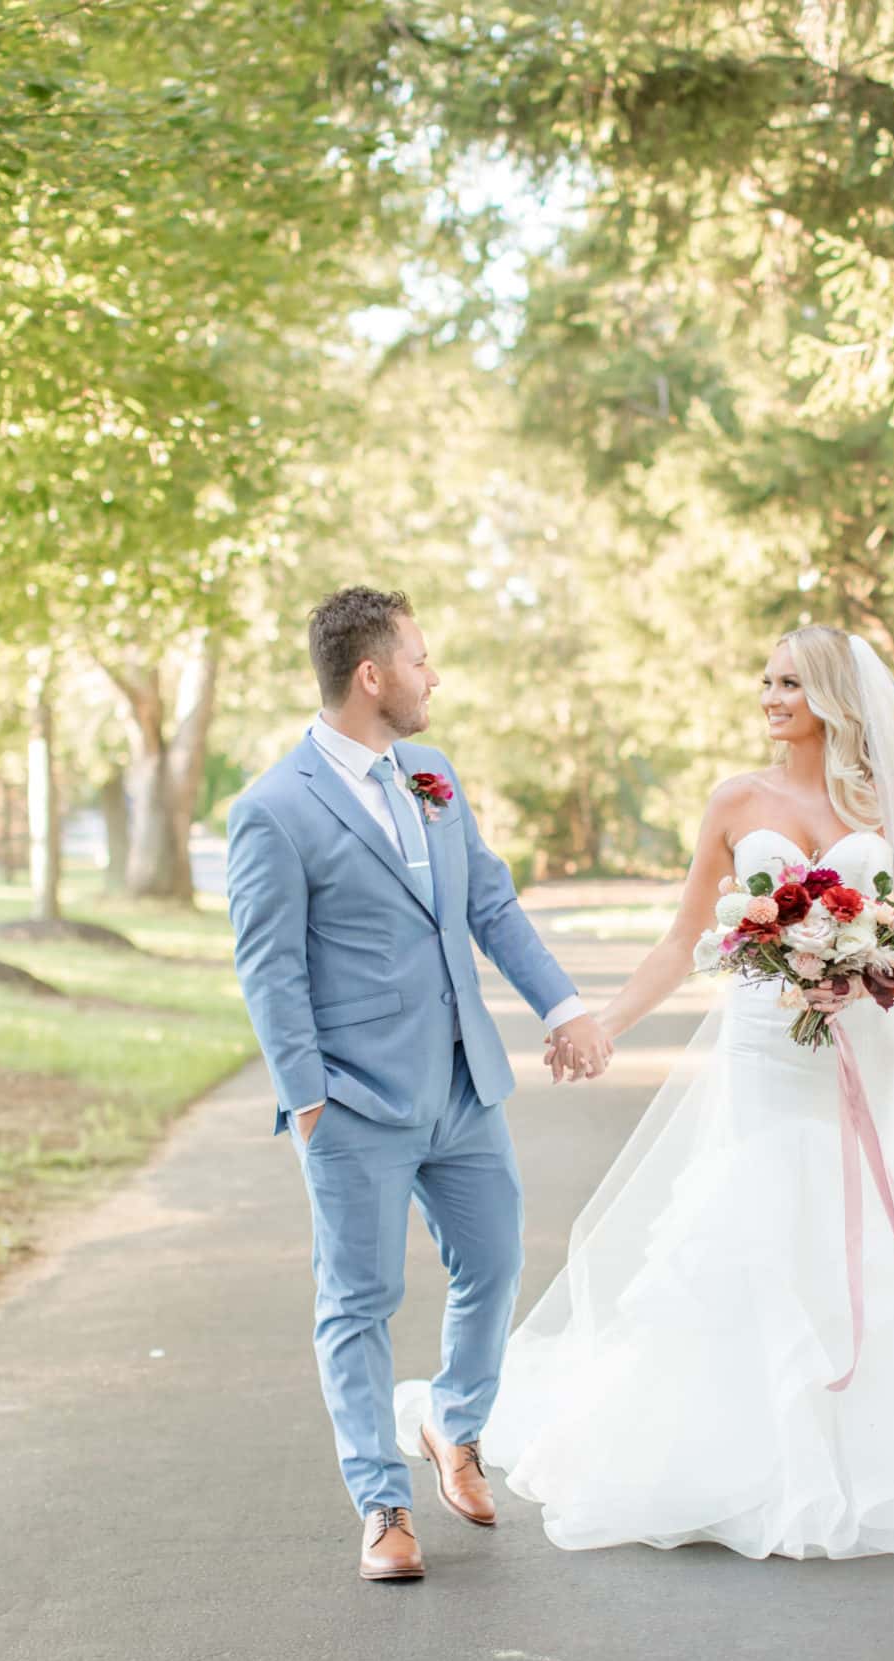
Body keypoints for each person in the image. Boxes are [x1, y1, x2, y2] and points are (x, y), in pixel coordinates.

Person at [415, 624, 894, 1560]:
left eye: (790, 681)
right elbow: (683, 942)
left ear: (835, 696)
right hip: (766, 1043)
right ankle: (760, 1435)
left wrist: (870, 969)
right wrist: (600, 1022)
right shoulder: (734, 799)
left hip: (863, 1035)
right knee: (760, 1202)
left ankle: (885, 1424)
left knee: (862, 1207)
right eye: (764, 678)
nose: (769, 695)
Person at [225, 586, 612, 1582]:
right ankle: (383, 1504)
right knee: (358, 1301)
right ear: (372, 675)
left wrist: (563, 1009)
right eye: (421, 659)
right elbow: (268, 967)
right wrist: (307, 1095)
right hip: (354, 1102)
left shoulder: (432, 774)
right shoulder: (272, 809)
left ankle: (453, 1425)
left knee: (493, 1263)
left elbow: (490, 903)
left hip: (463, 1084)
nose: (433, 675)